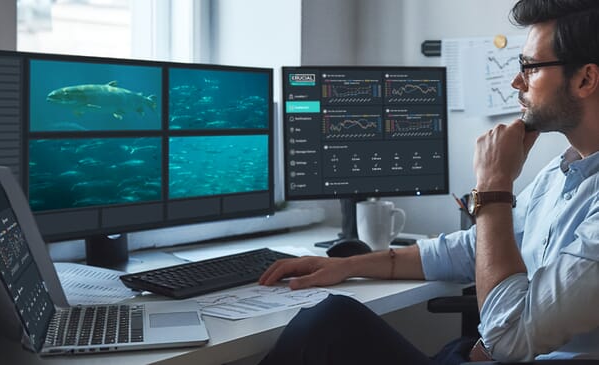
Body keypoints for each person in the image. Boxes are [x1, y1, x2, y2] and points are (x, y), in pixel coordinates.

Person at [257, 1, 599, 363]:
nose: (517, 81)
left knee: (327, 325)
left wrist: (494, 186)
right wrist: (348, 266)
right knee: (331, 320)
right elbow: (472, 248)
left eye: (529, 67)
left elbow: (508, 340)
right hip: (469, 355)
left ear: (585, 79)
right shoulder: (562, 172)